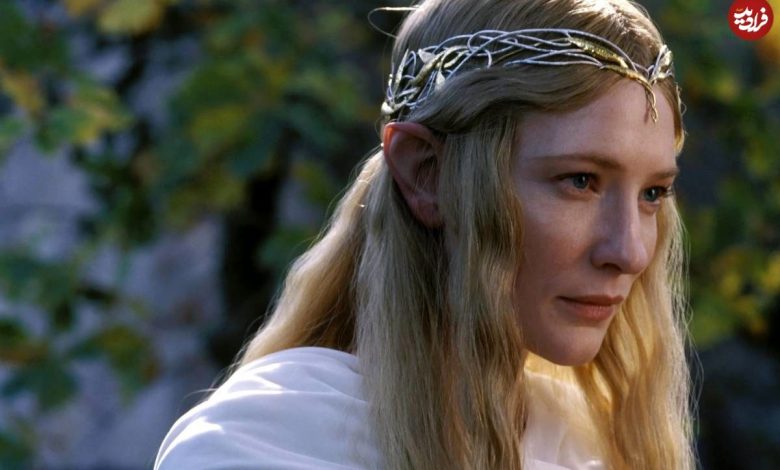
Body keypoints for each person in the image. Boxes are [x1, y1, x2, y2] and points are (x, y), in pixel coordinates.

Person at [154, 0, 695, 468]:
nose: (629, 251)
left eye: (653, 193)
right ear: (426, 173)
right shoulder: (261, 443)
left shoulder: (583, 444)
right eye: (579, 181)